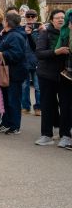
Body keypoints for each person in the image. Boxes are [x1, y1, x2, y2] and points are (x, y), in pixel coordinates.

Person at [0, 12, 29, 135]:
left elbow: (17, 54)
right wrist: (0, 36)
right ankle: (6, 123)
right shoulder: (7, 34)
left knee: (13, 100)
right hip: (6, 73)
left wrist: (1, 54)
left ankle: (15, 125)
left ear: (7, 22)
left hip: (14, 73)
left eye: (4, 20)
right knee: (6, 99)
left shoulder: (15, 36)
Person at [34, 10, 66, 146]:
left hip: (65, 76)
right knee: (47, 105)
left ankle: (65, 134)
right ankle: (46, 135)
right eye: (57, 18)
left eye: (63, 18)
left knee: (66, 106)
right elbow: (39, 53)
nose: (60, 20)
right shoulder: (45, 33)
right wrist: (56, 52)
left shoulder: (68, 34)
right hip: (47, 75)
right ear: (52, 20)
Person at [52, 9, 72, 149]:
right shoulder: (65, 35)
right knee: (65, 106)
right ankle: (65, 135)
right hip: (66, 76)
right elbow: (57, 52)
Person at [22, 10, 41, 116]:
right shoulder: (22, 30)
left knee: (38, 87)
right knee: (25, 86)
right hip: (25, 62)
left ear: (36, 17)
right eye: (28, 16)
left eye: (32, 16)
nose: (30, 18)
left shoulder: (41, 30)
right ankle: (25, 107)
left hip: (37, 62)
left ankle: (38, 107)